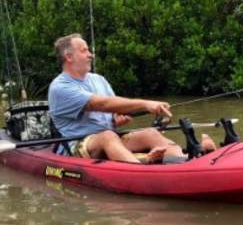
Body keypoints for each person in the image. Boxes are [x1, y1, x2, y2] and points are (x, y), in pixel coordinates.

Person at [48, 33, 216, 163]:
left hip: (110, 138)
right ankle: (140, 168)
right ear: (68, 57)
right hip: (76, 146)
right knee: (108, 136)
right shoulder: (60, 87)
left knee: (150, 133)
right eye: (84, 50)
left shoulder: (98, 79)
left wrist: (116, 118)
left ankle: (183, 162)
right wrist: (145, 104)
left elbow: (114, 109)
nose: (90, 54)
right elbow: (102, 104)